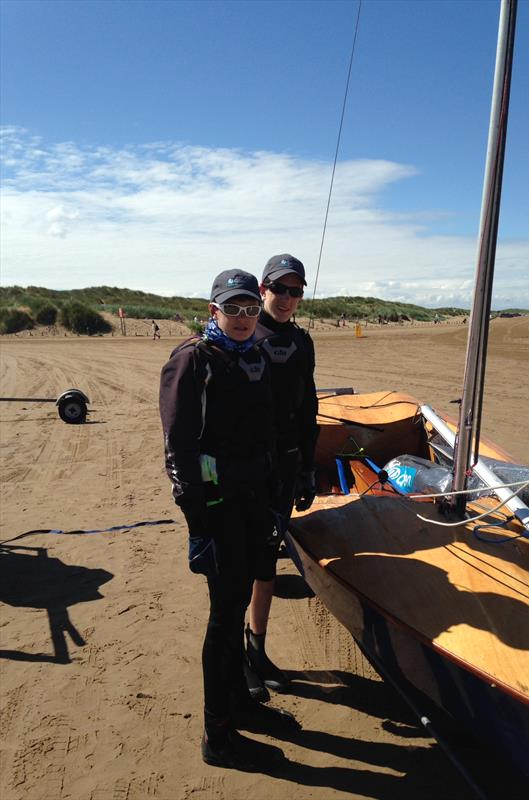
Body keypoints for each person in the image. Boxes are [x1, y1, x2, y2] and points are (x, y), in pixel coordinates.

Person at [159, 269, 297, 770]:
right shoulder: (193, 360)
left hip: (253, 504)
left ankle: (239, 703)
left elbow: (266, 429)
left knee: (237, 605)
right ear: (212, 311)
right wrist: (198, 526)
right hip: (217, 512)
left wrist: (278, 484)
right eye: (232, 309)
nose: (242, 318)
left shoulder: (254, 354)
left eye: (249, 309)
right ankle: (218, 734)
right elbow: (179, 451)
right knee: (223, 617)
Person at [244, 254, 318, 701]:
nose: (287, 298)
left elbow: (308, 407)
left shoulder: (303, 342)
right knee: (241, 563)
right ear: (262, 290)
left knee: (266, 560)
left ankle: (258, 649)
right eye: (280, 289)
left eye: (296, 291)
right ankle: (236, 655)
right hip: (247, 466)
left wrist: (308, 465)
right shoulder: (243, 334)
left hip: (285, 466)